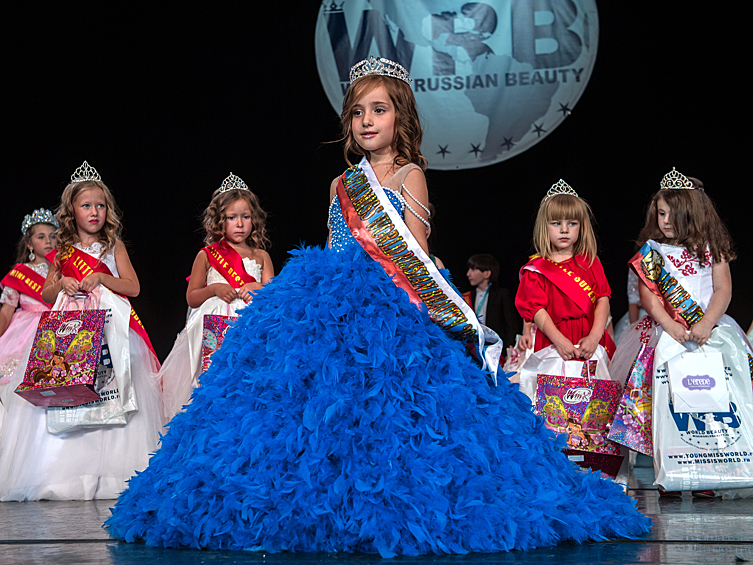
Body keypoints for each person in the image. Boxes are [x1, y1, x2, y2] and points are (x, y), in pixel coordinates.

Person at [105, 57, 649, 556]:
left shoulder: (410, 174)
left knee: (391, 417)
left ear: (400, 117)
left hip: (390, 310)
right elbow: (332, 242)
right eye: (358, 112)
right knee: (307, 413)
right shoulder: (343, 182)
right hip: (327, 308)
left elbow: (417, 252)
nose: (367, 121)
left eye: (379, 110)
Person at [0, 161, 164, 501]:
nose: (94, 212)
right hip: (72, 327)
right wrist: (62, 281)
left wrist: (103, 278)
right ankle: (66, 475)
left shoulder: (113, 245)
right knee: (71, 392)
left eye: (100, 206)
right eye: (86, 205)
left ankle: (114, 475)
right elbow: (46, 294)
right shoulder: (60, 250)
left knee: (112, 394)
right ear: (71, 210)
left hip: (110, 326)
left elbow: (132, 287)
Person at [609, 168, 753, 497]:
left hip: (709, 332)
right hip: (664, 332)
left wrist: (705, 324)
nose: (666, 221)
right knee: (663, 401)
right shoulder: (652, 250)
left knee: (709, 403)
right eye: (661, 213)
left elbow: (722, 290)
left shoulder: (711, 246)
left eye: (674, 214)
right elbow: (647, 296)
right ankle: (668, 470)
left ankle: (709, 472)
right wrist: (670, 325)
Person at [159, 173, 273, 420]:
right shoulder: (207, 255)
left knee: (246, 383)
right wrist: (214, 289)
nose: (240, 224)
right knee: (210, 385)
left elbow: (276, 295)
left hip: (249, 325)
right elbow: (192, 297)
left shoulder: (262, 256)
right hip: (211, 328)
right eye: (232, 218)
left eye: (246, 217)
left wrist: (257, 287)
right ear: (220, 221)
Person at [515, 181, 615, 360]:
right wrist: (559, 340)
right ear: (544, 226)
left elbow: (603, 299)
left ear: (581, 226)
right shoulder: (536, 270)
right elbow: (537, 311)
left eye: (572, 223)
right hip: (553, 343)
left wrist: (594, 337)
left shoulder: (590, 262)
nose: (564, 230)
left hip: (589, 340)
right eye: (556, 223)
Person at [0, 210, 58, 431]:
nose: (48, 241)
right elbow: (6, 312)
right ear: (30, 244)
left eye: (52, 236)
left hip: (54, 328)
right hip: (24, 333)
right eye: (41, 237)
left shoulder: (62, 271)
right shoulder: (19, 273)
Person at [464, 253, 518, 351]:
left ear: (487, 274)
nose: (468, 274)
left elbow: (510, 324)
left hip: (495, 349)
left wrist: (509, 349)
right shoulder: (466, 296)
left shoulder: (502, 294)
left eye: (473, 269)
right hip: (473, 347)